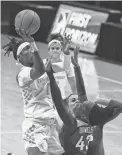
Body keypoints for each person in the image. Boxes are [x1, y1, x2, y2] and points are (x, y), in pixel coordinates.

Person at [45, 45, 122, 155]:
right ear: (69, 109)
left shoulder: (84, 123)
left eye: (79, 102)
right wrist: (53, 76)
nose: (78, 101)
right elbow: (65, 100)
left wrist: (53, 76)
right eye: (73, 101)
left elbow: (67, 100)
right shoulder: (81, 123)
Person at [2, 30, 64, 155]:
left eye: (30, 47)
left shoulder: (43, 63)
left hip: (51, 122)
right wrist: (33, 43)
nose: (30, 49)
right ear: (19, 58)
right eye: (26, 49)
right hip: (35, 124)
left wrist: (64, 51)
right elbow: (40, 70)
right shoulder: (22, 74)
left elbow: (62, 66)